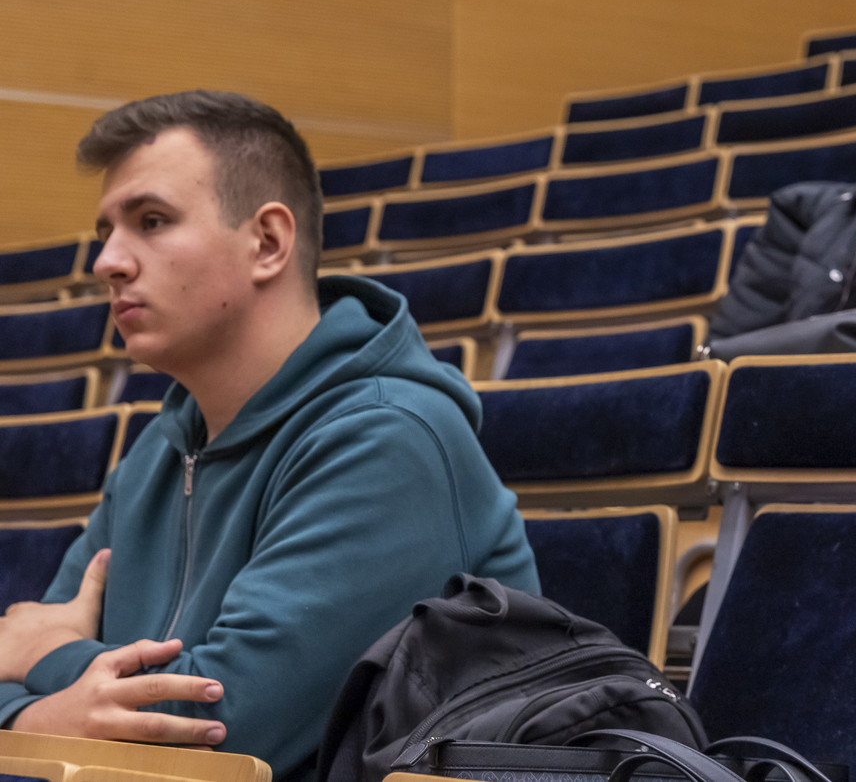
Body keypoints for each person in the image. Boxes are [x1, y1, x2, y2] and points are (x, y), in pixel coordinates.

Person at [0, 91, 539, 782]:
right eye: (107, 231)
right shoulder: (158, 452)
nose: (108, 261)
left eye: (152, 221)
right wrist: (36, 716)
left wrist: (43, 660)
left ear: (268, 242)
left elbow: (220, 731)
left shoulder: (389, 439)